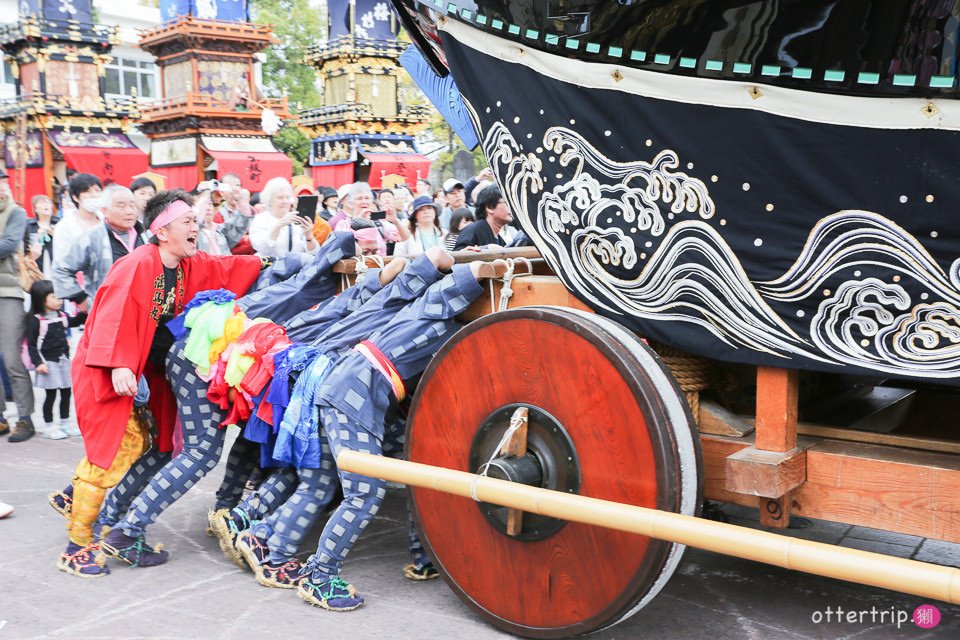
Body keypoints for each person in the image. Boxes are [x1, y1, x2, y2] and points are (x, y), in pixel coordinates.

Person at [57, 189, 268, 577]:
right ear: (161, 231)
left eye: (194, 219)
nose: (196, 226)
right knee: (111, 455)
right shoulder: (137, 264)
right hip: (108, 369)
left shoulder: (185, 263)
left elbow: (222, 267)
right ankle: (76, 546)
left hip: (145, 374)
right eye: (187, 221)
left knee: (159, 447)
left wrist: (267, 262)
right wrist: (119, 364)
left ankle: (113, 527)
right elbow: (110, 315)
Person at [53, 184, 144, 307]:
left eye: (132, 206)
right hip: (108, 311)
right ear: (105, 210)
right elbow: (61, 268)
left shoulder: (147, 235)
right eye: (121, 206)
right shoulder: (92, 237)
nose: (129, 211)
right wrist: (82, 300)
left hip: (145, 311)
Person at [0, 169, 36, 442]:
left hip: (8, 290)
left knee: (12, 358)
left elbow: (9, 244)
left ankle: (25, 418)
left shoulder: (15, 212)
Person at [26, 280, 85, 439]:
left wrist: (84, 310)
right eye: (53, 296)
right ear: (41, 299)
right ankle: (49, 425)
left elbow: (76, 321)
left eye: (60, 296)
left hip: (63, 361)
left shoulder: (63, 316)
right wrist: (38, 363)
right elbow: (32, 345)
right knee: (51, 395)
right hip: (48, 363)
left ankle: (65, 423)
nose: (59, 299)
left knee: (66, 392)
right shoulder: (37, 320)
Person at [249, 177, 318, 257]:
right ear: (269, 200)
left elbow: (314, 253)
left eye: (287, 197)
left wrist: (309, 235)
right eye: (280, 197)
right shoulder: (261, 219)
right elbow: (261, 247)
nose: (285, 201)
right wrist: (279, 225)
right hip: (270, 267)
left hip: (297, 267)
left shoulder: (297, 219)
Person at [53, 173, 103, 264]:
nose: (94, 195)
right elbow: (60, 262)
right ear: (75, 197)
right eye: (88, 191)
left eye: (97, 190)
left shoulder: (106, 221)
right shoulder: (64, 226)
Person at [454, 185, 515, 250]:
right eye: (506, 203)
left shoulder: (500, 239)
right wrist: (486, 248)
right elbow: (457, 256)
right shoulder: (471, 231)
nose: (511, 207)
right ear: (489, 207)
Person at [26, 195, 57, 277]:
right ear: (35, 209)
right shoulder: (28, 225)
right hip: (36, 267)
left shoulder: (60, 223)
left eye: (48, 203)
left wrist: (54, 234)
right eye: (41, 203)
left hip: (57, 265)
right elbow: (26, 248)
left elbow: (68, 245)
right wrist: (38, 238)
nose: (45, 205)